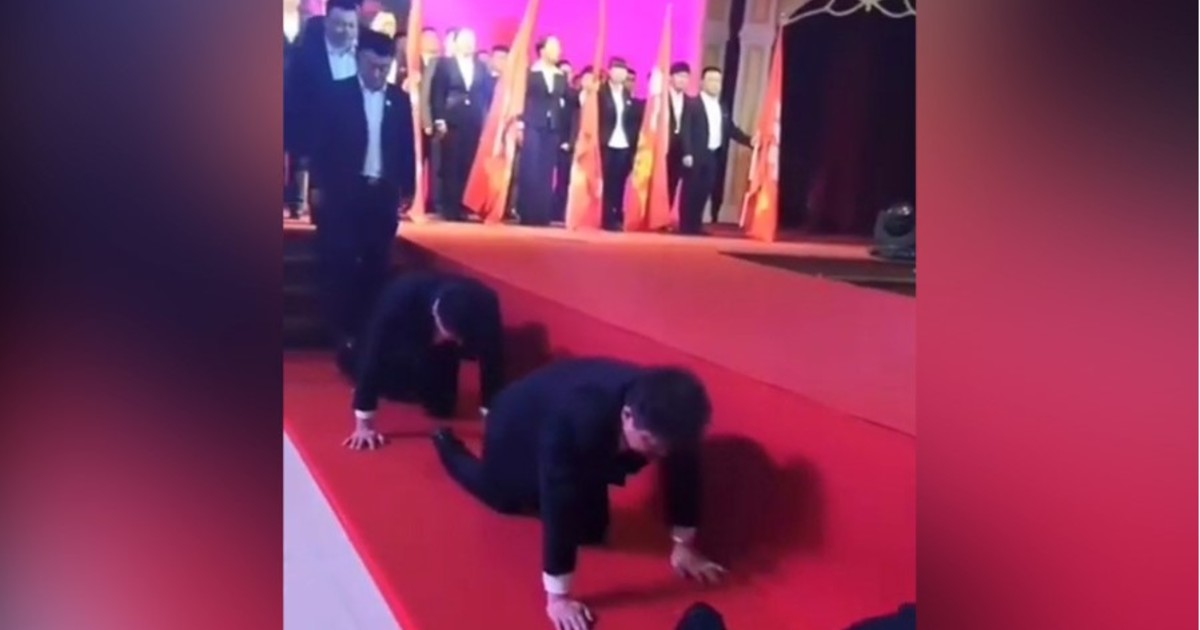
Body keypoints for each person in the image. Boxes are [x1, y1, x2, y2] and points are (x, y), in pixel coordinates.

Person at [432, 358, 725, 630]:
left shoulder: (673, 419)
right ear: (627, 416)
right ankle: (446, 443)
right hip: (517, 423)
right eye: (651, 444)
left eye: (665, 449)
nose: (659, 455)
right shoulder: (581, 416)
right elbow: (558, 497)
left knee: (590, 531)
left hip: (583, 431)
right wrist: (558, 598)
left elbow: (683, 473)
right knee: (504, 497)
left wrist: (683, 546)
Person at [309, 31, 415, 347]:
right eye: (373, 66)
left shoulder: (399, 100)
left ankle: (368, 331)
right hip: (345, 192)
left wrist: (407, 186)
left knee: (377, 262)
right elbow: (321, 145)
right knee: (341, 260)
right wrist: (317, 184)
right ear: (358, 60)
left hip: (381, 192)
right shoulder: (336, 95)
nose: (379, 74)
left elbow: (405, 146)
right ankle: (340, 331)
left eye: (385, 67)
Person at [341, 271, 505, 449]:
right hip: (403, 339)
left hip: (442, 349)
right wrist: (364, 423)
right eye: (450, 335)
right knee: (375, 370)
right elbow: (374, 353)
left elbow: (492, 360)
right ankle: (349, 354)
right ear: (436, 316)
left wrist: (492, 417)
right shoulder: (400, 299)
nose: (457, 341)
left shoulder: (486, 304)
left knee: (442, 407)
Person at [284, 0, 364, 224]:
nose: (345, 31)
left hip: (356, 140)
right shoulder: (305, 58)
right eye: (339, 24)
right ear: (326, 22)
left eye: (351, 25)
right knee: (325, 213)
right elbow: (294, 99)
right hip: (318, 140)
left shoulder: (363, 56)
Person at [679, 66, 753, 235]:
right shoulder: (692, 104)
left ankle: (696, 225)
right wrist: (687, 152)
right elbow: (686, 129)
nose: (715, 84)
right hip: (695, 154)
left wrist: (750, 141)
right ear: (702, 82)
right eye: (711, 80)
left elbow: (731, 129)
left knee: (704, 190)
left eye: (718, 81)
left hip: (713, 154)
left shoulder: (722, 106)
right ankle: (686, 226)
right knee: (691, 190)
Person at [430, 28, 493, 221]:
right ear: (455, 43)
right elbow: (437, 92)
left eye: (471, 40)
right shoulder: (445, 64)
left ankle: (463, 206)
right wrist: (439, 118)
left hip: (473, 120)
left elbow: (487, 94)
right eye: (464, 40)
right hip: (451, 119)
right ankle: (449, 208)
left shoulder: (481, 67)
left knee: (468, 162)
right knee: (451, 164)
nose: (468, 44)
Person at [515, 37, 571, 226]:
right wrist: (519, 123)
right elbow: (520, 98)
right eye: (554, 47)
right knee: (530, 168)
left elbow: (568, 100)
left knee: (546, 170)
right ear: (542, 50)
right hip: (532, 123)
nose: (558, 51)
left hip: (552, 126)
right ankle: (526, 212)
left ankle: (542, 213)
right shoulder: (531, 72)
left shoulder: (560, 76)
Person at [597, 58, 639, 230]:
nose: (620, 73)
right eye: (616, 69)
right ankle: (606, 217)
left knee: (619, 182)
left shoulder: (627, 94)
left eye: (623, 70)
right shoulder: (601, 92)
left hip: (623, 144)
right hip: (606, 142)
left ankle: (616, 214)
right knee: (607, 181)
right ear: (609, 71)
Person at [666, 62, 692, 206]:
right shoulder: (661, 98)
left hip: (679, 149)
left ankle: (665, 214)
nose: (682, 80)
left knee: (673, 184)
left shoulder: (690, 102)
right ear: (671, 77)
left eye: (686, 77)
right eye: (679, 76)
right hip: (663, 146)